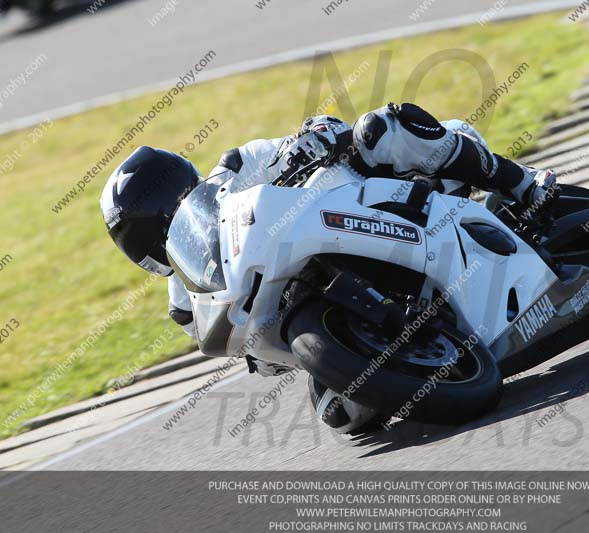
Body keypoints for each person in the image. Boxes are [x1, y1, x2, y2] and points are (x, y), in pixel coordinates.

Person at [100, 102, 558, 433]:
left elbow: (309, 132)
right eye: (136, 241)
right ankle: (424, 341)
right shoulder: (186, 301)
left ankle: (521, 184)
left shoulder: (235, 168)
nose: (149, 245)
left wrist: (314, 137)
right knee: (342, 414)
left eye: (148, 227)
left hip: (367, 203)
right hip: (320, 304)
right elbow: (257, 354)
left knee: (379, 128)